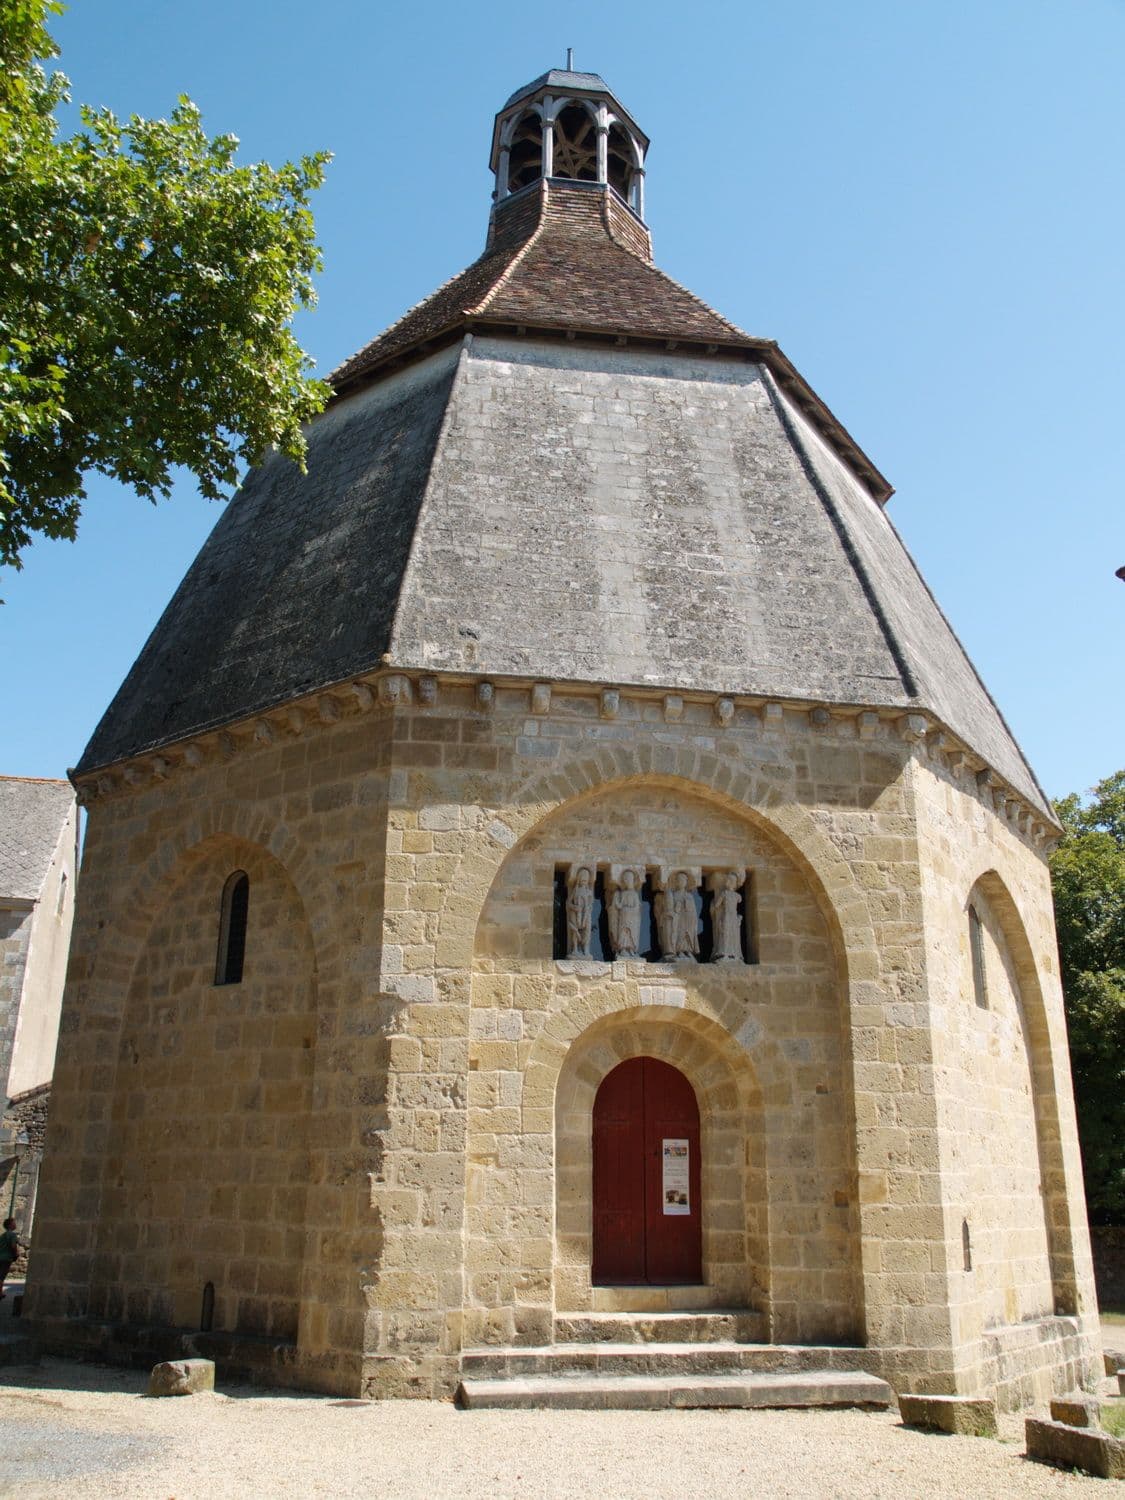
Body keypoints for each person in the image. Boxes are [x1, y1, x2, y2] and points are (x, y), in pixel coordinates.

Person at [607, 868, 642, 958]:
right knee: (623, 932)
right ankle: (622, 949)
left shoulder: (634, 894)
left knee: (632, 932)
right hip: (623, 917)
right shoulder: (622, 893)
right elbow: (619, 905)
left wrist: (626, 909)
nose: (627, 881)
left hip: (632, 918)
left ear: (633, 880)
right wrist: (615, 900)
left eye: (629, 879)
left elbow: (637, 907)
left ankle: (631, 949)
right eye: (626, 879)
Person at [711, 870, 743, 961]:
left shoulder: (737, 896)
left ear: (734, 883)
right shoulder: (724, 893)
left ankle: (735, 954)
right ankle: (724, 953)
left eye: (730, 881)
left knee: (734, 935)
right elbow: (717, 905)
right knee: (725, 934)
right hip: (726, 916)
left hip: (733, 916)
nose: (727, 882)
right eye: (728, 880)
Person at [566, 866, 594, 958]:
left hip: (586, 914)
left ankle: (585, 949)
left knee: (587, 931)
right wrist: (574, 907)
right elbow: (568, 902)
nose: (584, 879)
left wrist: (587, 910)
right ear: (579, 878)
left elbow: (591, 904)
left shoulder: (589, 892)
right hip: (575, 913)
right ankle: (575, 949)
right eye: (582, 876)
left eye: (586, 877)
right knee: (575, 931)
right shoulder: (575, 890)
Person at [0, 1217, 20, 1298]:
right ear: (10, 1225)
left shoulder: (3, 1235)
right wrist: (16, 1254)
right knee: (2, 1276)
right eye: (14, 1223)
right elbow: (13, 1245)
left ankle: (1, 1292)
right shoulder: (12, 1235)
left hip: (0, 1256)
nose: (15, 1224)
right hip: (6, 1258)